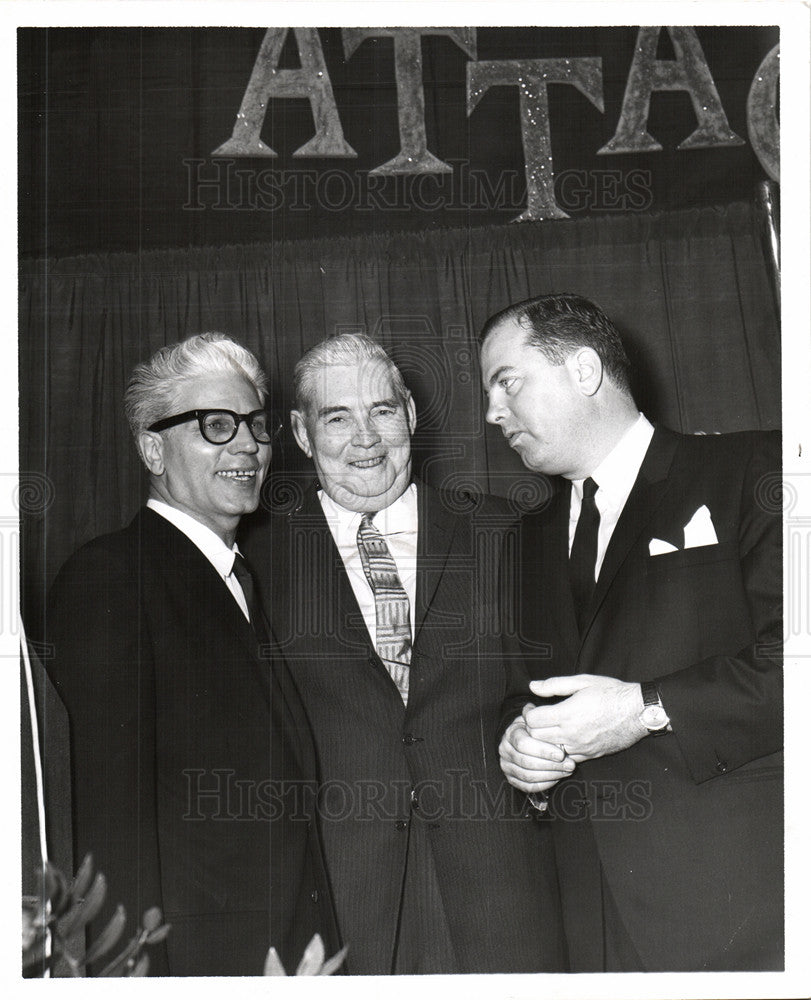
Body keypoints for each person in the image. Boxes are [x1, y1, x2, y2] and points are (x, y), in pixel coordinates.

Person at [242, 333, 566, 975]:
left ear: (411, 415)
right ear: (303, 436)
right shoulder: (254, 562)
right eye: (337, 417)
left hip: (505, 895)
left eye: (382, 411)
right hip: (345, 905)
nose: (365, 437)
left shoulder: (507, 531)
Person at [480, 293, 783, 972]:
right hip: (593, 925)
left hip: (748, 913)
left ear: (583, 370)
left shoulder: (755, 470)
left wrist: (644, 710)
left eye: (505, 382)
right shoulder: (521, 542)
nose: (491, 412)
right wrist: (518, 750)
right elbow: (520, 692)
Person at [45, 333, 339, 976]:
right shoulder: (113, 576)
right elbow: (109, 821)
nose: (247, 445)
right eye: (215, 425)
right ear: (153, 447)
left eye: (255, 426)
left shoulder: (241, 578)